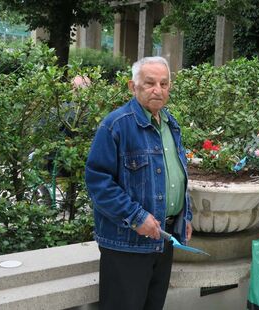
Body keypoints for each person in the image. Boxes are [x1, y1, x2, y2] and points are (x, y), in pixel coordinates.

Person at [85, 56, 192, 310]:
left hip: (163, 241)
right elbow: (98, 182)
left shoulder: (170, 124)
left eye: (164, 84)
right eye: (150, 83)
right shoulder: (115, 125)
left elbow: (175, 176)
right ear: (133, 87)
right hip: (127, 246)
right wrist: (135, 217)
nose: (158, 90)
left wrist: (184, 216)